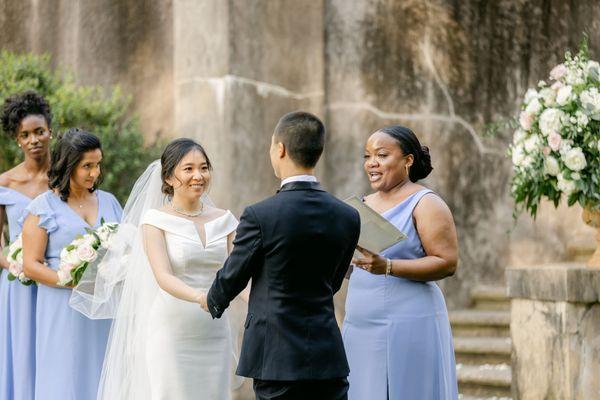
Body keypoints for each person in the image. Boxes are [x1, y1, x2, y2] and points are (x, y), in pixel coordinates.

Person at [203, 111, 361, 400]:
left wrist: (212, 299)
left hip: (276, 357)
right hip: (328, 356)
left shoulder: (259, 215)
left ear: (280, 149)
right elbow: (334, 281)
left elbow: (234, 274)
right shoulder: (348, 216)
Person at [71, 138, 241, 400]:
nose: (199, 176)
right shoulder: (154, 221)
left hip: (214, 332)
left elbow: (240, 274)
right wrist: (202, 297)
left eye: (204, 168)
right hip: (172, 332)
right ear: (169, 177)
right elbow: (163, 276)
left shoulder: (226, 221)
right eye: (188, 169)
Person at [343, 125, 459, 399]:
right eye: (367, 156)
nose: (372, 163)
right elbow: (365, 264)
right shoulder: (361, 204)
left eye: (382, 155)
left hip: (409, 323)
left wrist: (389, 267)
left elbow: (447, 262)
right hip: (360, 325)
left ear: (408, 160)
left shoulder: (425, 202)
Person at [21, 129, 123, 400]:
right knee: (63, 376)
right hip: (60, 308)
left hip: (103, 308)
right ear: (68, 165)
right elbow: (30, 264)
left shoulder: (110, 202)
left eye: (98, 164)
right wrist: (70, 280)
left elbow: (126, 249)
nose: (95, 173)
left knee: (102, 373)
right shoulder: (43, 207)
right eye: (87, 166)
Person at [0, 90, 53, 400]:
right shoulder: (4, 184)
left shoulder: (63, 178)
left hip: (56, 280)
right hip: (17, 286)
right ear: (17, 140)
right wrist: (14, 264)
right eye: (25, 134)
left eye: (39, 132)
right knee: (21, 353)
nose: (33, 139)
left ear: (50, 132)